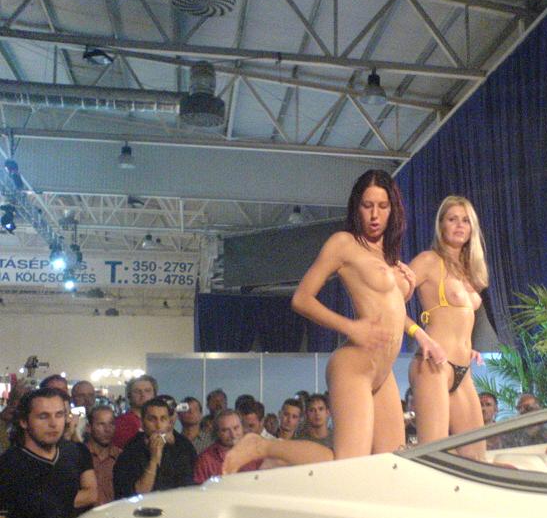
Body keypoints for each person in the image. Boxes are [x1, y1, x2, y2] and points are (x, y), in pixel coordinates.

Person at [224, 169, 412, 473]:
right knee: (348, 464)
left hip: (384, 370)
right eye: (367, 206)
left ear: (393, 209)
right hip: (355, 365)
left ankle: (276, 457)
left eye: (382, 206)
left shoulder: (389, 256)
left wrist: (408, 296)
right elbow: (301, 299)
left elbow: (389, 311)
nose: (375, 215)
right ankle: (263, 445)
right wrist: (351, 327)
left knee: (391, 463)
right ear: (356, 208)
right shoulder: (344, 244)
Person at [406, 196, 489, 460]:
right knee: (435, 455)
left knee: (477, 458)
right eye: (452, 219)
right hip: (433, 366)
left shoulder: (469, 271)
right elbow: (388, 304)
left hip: (463, 371)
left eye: (465, 220)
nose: (459, 225)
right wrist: (420, 335)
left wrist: (467, 347)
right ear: (440, 225)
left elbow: (459, 320)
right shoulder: (428, 261)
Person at [0, 388, 95, 518]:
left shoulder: (71, 455)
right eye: (43, 416)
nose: (53, 424)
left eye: (59, 415)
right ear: (24, 421)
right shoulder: (8, 468)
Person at [113, 397, 195, 499]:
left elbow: (188, 492)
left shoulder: (181, 449)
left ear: (169, 423)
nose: (158, 425)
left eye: (163, 419)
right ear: (142, 423)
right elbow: (137, 494)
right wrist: (153, 460)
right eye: (152, 419)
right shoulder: (129, 453)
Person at [193, 410, 261, 484]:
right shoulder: (205, 460)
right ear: (217, 433)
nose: (233, 434)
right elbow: (199, 489)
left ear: (242, 428)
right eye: (225, 430)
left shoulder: (256, 453)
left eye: (236, 428)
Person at [84, 404, 121, 505]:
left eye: (111, 424)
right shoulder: (80, 456)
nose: (107, 429)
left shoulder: (121, 457)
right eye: (101, 424)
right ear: (89, 427)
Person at [112, 375, 158, 448]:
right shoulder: (121, 423)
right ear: (129, 396)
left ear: (154, 395)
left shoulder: (159, 421)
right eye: (137, 391)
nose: (143, 395)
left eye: (147, 391)